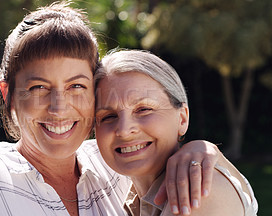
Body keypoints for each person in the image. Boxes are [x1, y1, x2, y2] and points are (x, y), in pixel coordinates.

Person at [0, 2, 221, 216]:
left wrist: (203, 149)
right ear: (8, 94)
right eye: (38, 88)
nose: (59, 108)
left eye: (76, 86)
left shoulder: (115, 165)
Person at [94, 49, 258, 215]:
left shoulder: (198, 189)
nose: (124, 130)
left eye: (144, 109)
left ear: (182, 119)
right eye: (108, 117)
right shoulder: (126, 197)